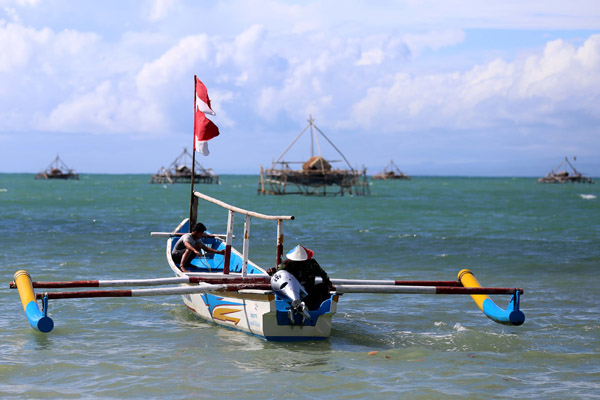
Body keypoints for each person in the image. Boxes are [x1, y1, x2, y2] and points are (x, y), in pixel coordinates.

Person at [268, 244, 332, 310]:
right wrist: (272, 271)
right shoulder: (287, 264)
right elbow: (278, 274)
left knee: (323, 287)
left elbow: (323, 274)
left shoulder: (312, 263)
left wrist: (328, 284)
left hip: (309, 290)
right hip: (293, 291)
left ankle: (316, 307)